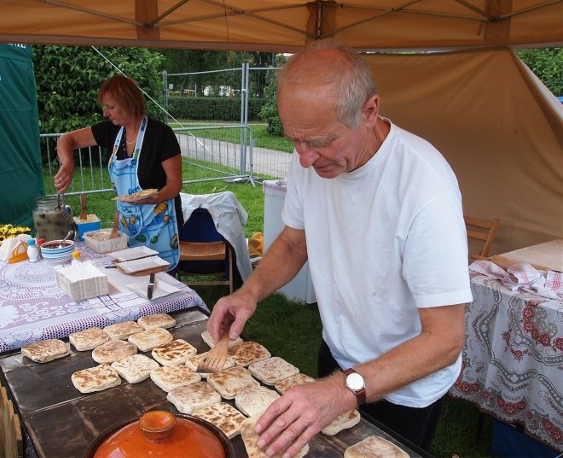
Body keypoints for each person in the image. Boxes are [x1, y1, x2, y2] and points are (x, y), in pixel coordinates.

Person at [206, 40, 472, 457]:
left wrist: (341, 389)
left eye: (320, 141)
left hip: (404, 384)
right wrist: (248, 293)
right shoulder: (310, 158)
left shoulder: (424, 188)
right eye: (295, 140)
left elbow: (446, 339)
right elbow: (295, 241)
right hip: (337, 352)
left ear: (369, 111)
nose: (306, 159)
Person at [55, 75, 182, 270]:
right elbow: (66, 139)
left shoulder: (161, 134)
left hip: (161, 227)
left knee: (159, 283)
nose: (106, 113)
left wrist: (155, 197)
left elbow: (174, 184)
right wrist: (68, 163)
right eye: (105, 107)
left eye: (111, 107)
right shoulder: (111, 131)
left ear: (129, 103)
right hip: (126, 228)